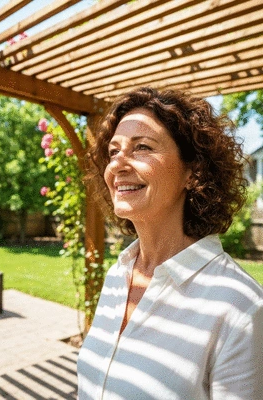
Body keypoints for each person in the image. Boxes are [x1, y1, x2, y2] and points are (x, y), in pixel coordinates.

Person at [77, 87, 263, 399]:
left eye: (142, 147)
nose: (118, 164)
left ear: (193, 171)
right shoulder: (116, 276)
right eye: (113, 151)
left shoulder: (239, 307)